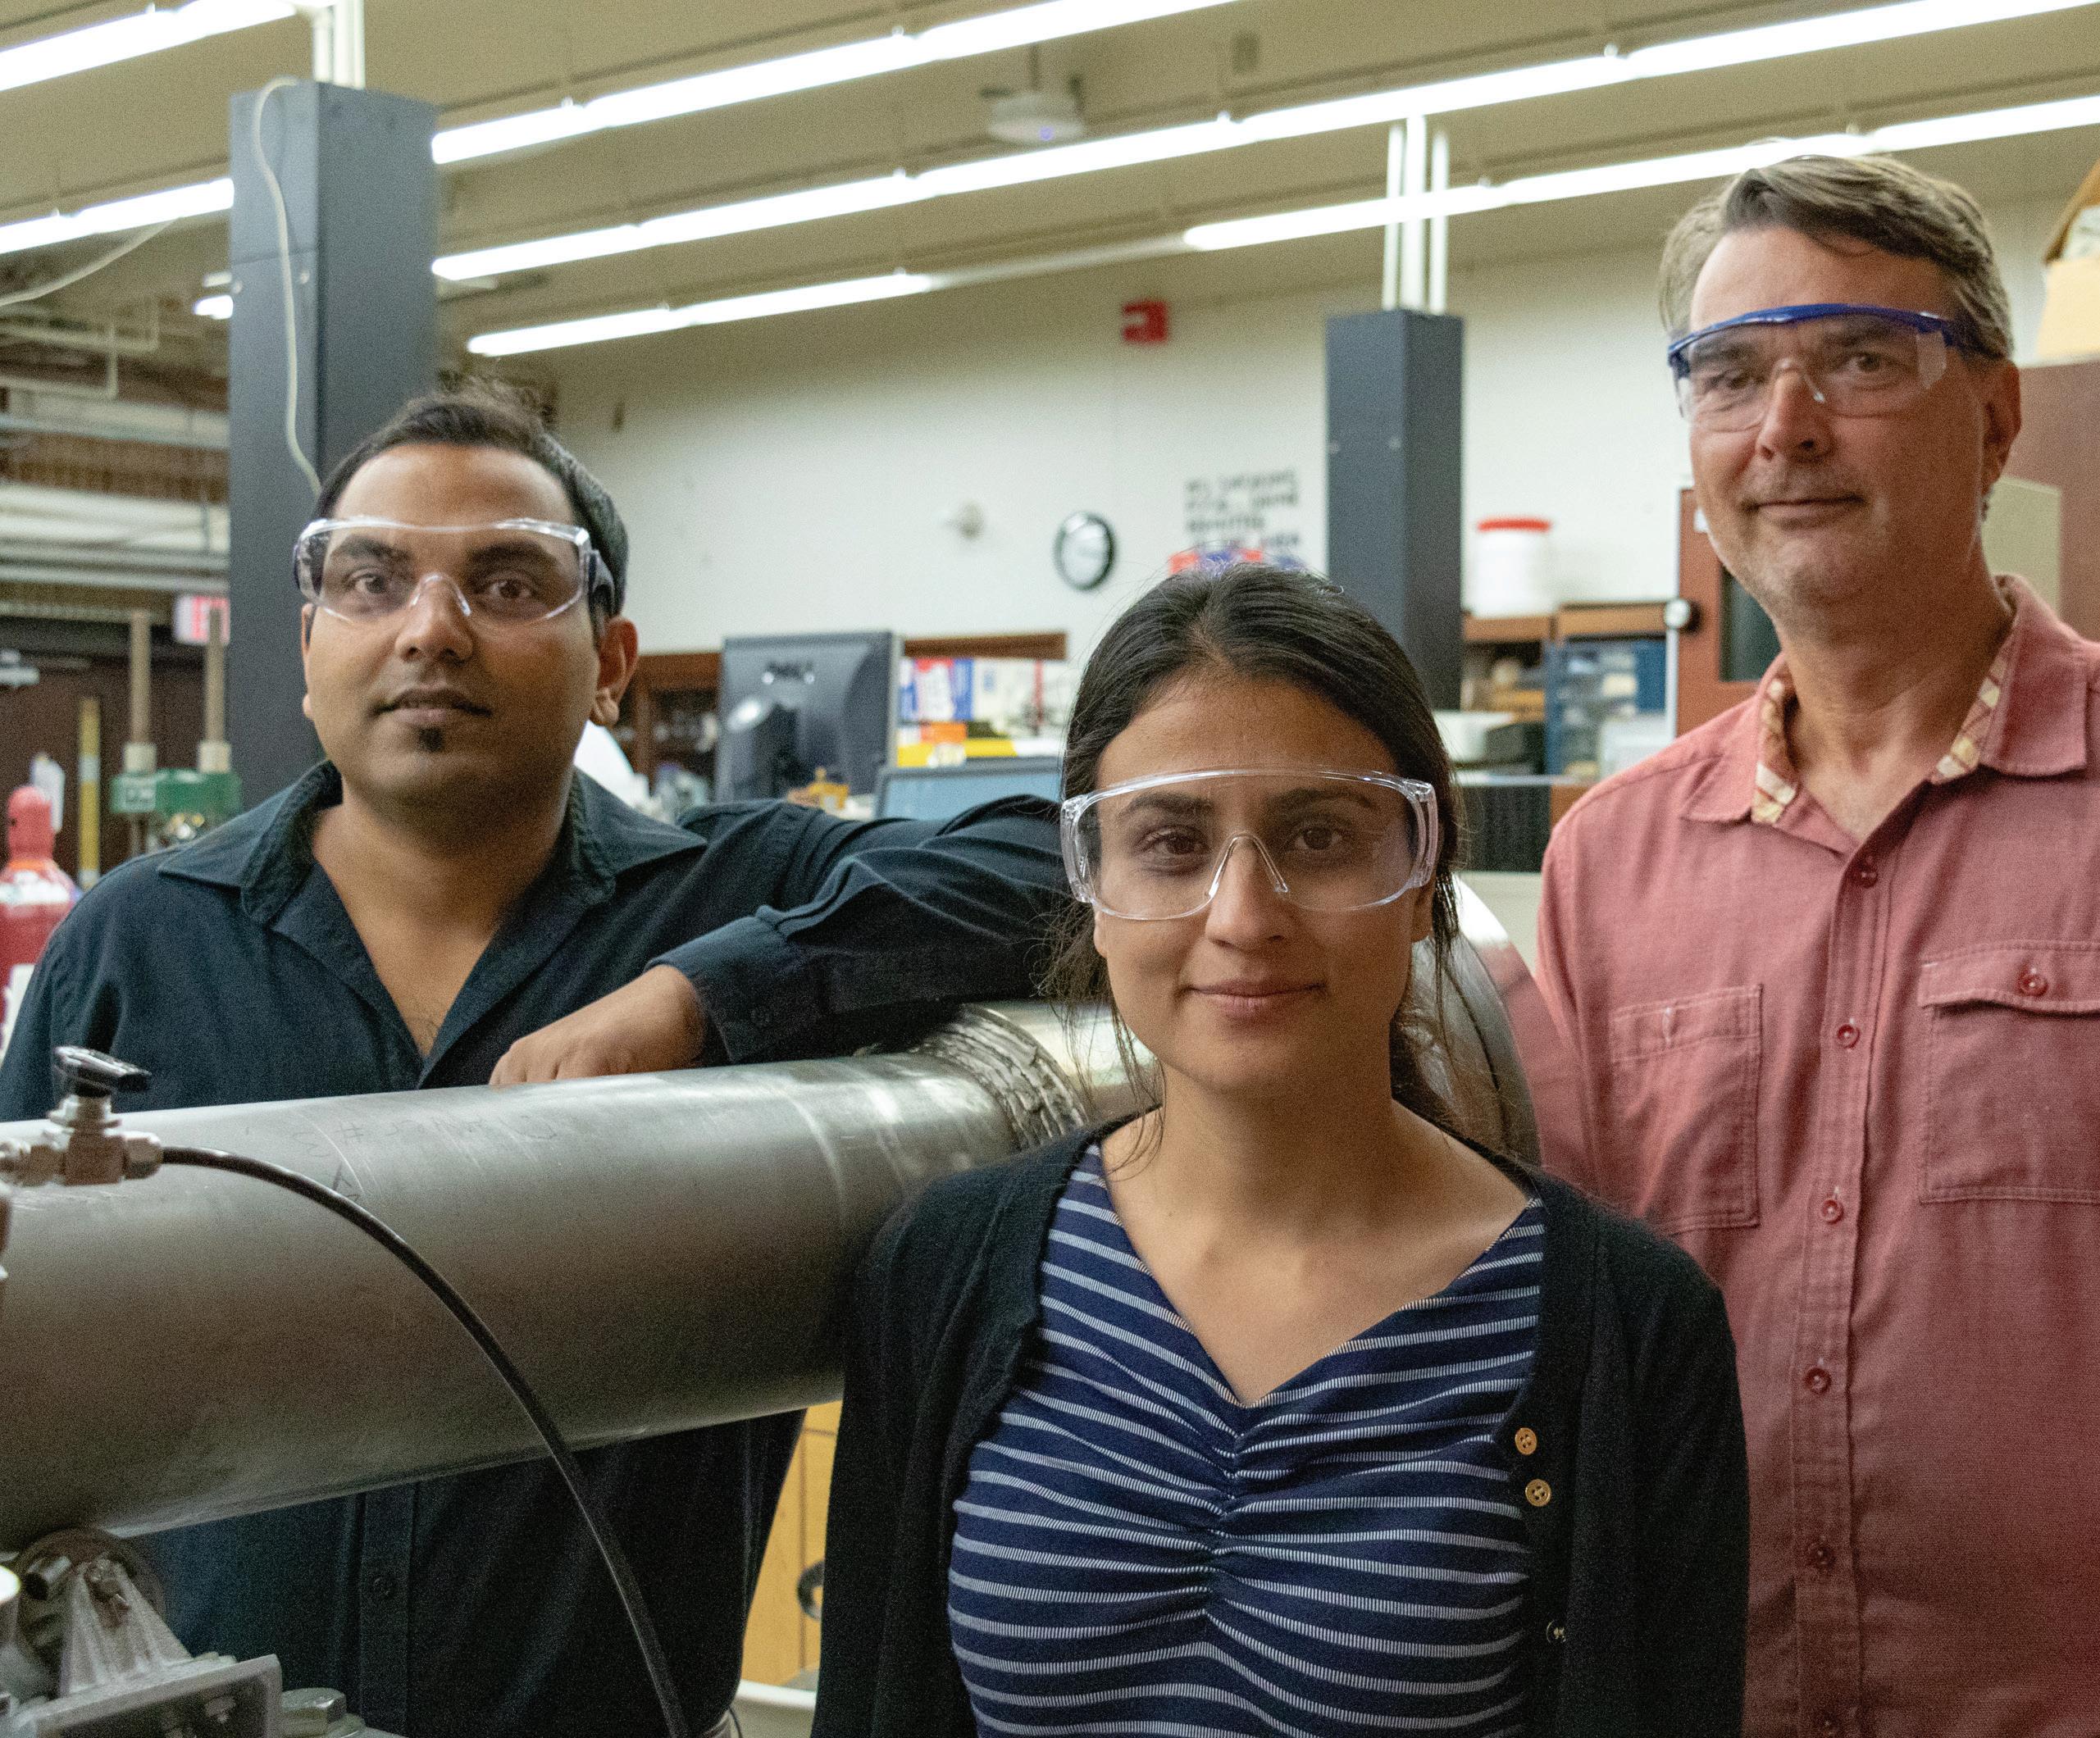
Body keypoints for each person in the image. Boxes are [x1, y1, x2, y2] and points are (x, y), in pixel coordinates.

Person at [0, 384, 1068, 1738]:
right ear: (311, 642)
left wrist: (705, 992)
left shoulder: (737, 892)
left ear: (610, 660)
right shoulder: (138, 940)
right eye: (372, 581)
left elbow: (1059, 859)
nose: (431, 628)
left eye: (508, 583)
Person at [813, 563, 1748, 1738]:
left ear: (1423, 869)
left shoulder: (1628, 1330)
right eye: (1170, 843)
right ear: (1091, 885)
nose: (1244, 917)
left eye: (1318, 836)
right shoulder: (942, 1270)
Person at [1535, 153, 2100, 1738]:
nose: (1782, 428)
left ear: (1993, 417)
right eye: (1727, 374)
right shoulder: (1609, 861)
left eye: (1857, 359)